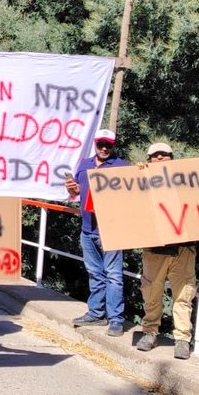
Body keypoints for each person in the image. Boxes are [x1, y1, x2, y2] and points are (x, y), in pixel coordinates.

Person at [64, 129, 130, 337]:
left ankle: (116, 320)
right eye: (101, 144)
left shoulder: (122, 166)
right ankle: (96, 313)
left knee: (113, 276)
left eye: (108, 145)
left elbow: (136, 192)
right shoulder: (84, 164)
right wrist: (72, 189)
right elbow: (76, 193)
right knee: (94, 272)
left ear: (113, 145)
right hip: (87, 228)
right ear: (95, 143)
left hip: (111, 230)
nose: (104, 148)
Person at [135, 143, 198, 360]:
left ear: (172, 158)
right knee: (151, 292)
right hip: (154, 250)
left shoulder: (188, 179)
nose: (160, 158)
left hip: (184, 249)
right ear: (149, 159)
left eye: (165, 155)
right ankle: (150, 332)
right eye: (155, 155)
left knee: (184, 296)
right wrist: (136, 174)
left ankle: (182, 339)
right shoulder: (140, 180)